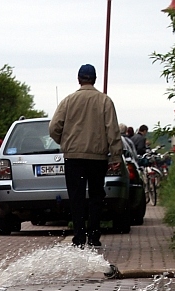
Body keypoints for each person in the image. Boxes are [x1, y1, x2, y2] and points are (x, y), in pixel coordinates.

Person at [48, 63, 121, 248]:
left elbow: (53, 127)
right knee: (96, 196)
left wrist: (65, 142)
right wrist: (116, 157)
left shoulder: (68, 101)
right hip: (97, 158)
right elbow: (112, 130)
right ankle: (94, 237)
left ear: (79, 79)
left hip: (74, 158)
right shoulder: (105, 101)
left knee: (76, 198)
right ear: (94, 79)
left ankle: (78, 238)